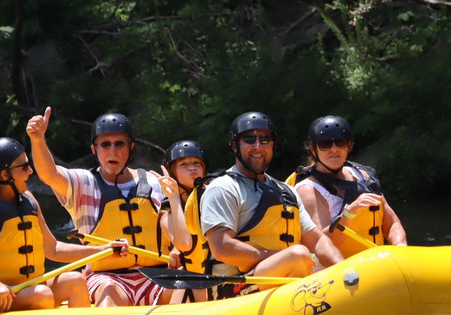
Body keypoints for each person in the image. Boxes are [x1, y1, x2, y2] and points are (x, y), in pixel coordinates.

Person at [0, 137, 126, 312]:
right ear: (4, 174)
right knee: (41, 294)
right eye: (24, 167)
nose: (31, 171)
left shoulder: (27, 200)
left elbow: (53, 249)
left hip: (22, 289)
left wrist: (105, 250)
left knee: (76, 281)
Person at [25, 107, 168, 307]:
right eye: (105, 145)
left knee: (188, 291)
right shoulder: (83, 183)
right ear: (95, 149)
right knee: (108, 297)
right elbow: (49, 174)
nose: (113, 151)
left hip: (158, 273)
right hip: (108, 278)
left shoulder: (154, 181)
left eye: (120, 144)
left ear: (131, 147)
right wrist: (38, 140)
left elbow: (174, 226)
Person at [198, 111, 344, 289]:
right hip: (236, 287)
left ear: (272, 145)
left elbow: (317, 241)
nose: (258, 146)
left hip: (284, 280)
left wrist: (343, 269)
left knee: (301, 258)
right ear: (235, 146)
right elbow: (222, 248)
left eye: (265, 139)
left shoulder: (286, 191)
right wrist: (279, 257)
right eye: (250, 139)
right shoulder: (223, 188)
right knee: (298, 256)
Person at [294, 115, 407, 246]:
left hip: (374, 261)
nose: (334, 149)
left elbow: (392, 223)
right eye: (325, 144)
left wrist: (400, 245)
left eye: (340, 143)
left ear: (349, 146)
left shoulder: (364, 177)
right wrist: (349, 214)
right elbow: (320, 245)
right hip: (339, 264)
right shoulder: (308, 190)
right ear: (314, 150)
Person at [156, 140, 210, 303]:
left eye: (196, 163)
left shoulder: (217, 195)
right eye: (183, 164)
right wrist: (173, 197)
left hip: (222, 276)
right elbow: (185, 243)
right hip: (194, 281)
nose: (192, 167)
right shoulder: (167, 210)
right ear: (172, 173)